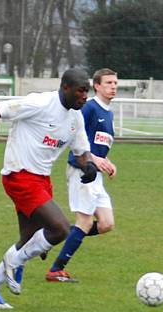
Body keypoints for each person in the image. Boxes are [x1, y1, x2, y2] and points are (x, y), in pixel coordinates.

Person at [0, 68, 99, 310]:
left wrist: (89, 166)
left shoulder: (76, 117)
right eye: (81, 91)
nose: (85, 97)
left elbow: (81, 152)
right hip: (19, 175)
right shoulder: (40, 103)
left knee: (28, 240)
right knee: (60, 228)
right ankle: (14, 262)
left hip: (41, 180)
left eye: (88, 92)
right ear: (65, 88)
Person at [45, 68, 118, 282]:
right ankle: (56, 270)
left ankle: (52, 238)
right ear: (96, 86)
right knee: (85, 222)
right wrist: (94, 160)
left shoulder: (108, 112)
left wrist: (106, 161)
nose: (113, 87)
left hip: (96, 174)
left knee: (106, 223)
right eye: (108, 83)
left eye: (115, 83)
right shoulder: (88, 108)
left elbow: (97, 144)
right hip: (81, 171)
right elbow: (75, 140)